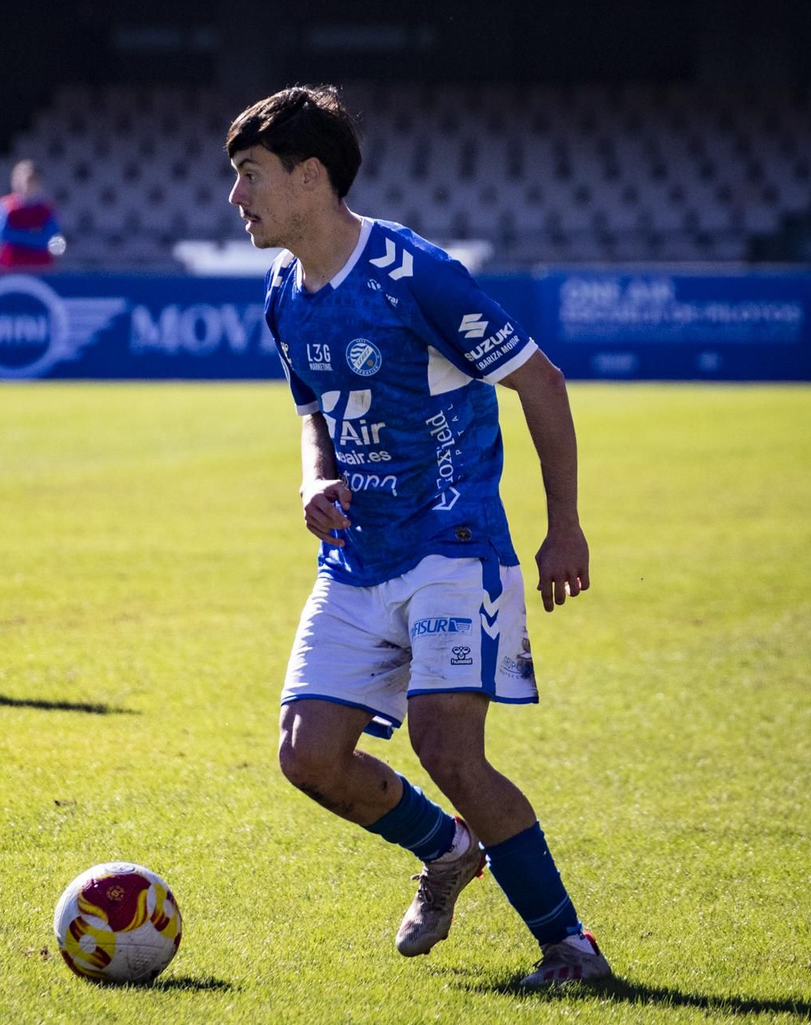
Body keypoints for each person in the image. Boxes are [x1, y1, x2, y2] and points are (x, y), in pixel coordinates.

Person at [226, 86, 610, 987]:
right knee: (306, 757)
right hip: (358, 556)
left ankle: (571, 948)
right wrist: (315, 475)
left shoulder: (415, 274)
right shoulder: (287, 295)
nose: (235, 199)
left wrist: (565, 529)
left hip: (454, 539)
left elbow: (542, 383)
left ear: (309, 176)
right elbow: (317, 410)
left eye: (249, 176)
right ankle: (448, 849)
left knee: (448, 749)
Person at [0, 159, 63, 272]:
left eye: (31, 180)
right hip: (10, 267)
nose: (26, 184)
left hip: (41, 268)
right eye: (21, 179)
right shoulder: (5, 205)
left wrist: (18, 236)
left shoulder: (47, 209)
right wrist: (32, 234)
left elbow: (51, 239)